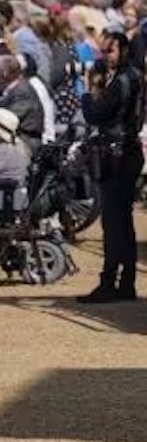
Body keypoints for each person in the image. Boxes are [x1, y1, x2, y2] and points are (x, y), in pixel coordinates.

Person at [77, 29, 143, 303]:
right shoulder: (134, 77)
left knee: (114, 223)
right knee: (122, 222)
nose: (105, 57)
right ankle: (125, 282)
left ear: (124, 50)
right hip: (127, 152)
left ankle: (109, 281)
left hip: (116, 155)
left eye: (110, 51)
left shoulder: (122, 82)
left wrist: (89, 91)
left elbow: (94, 113)